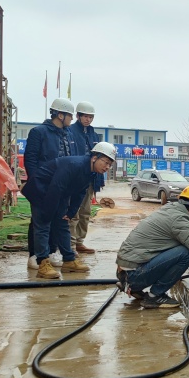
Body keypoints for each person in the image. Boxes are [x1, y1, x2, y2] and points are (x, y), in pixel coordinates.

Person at [22, 142, 117, 280]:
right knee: (43, 225)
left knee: (62, 223)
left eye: (110, 165)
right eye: (106, 162)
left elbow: (80, 192)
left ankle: (69, 260)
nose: (107, 167)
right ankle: (42, 264)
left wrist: (70, 212)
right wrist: (48, 212)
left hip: (57, 193)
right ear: (94, 158)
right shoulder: (75, 164)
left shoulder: (91, 172)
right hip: (40, 189)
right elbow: (56, 186)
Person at [24, 97, 75, 270]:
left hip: (61, 186)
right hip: (43, 184)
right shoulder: (39, 132)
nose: (72, 119)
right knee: (40, 221)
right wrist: (36, 183)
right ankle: (35, 255)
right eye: (70, 115)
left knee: (58, 219)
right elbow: (30, 160)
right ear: (60, 115)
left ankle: (52, 252)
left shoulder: (68, 134)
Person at [67, 101, 104, 255]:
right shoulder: (69, 132)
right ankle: (70, 244)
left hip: (90, 178)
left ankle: (79, 242)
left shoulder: (93, 134)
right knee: (73, 212)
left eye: (90, 117)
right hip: (75, 179)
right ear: (78, 116)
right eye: (85, 116)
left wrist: (98, 181)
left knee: (85, 212)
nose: (88, 119)